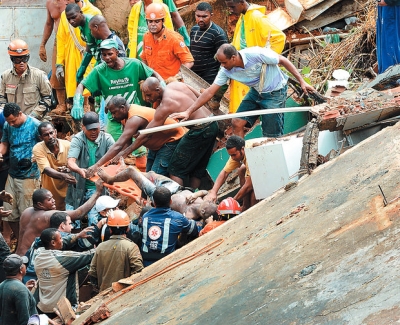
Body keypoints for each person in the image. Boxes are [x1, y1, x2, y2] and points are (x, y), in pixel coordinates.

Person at [171, 44, 315, 138]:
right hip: (256, 92)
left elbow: (283, 60)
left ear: (233, 57)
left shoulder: (256, 54)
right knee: (237, 123)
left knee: (271, 135)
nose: (222, 66)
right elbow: (210, 92)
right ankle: (243, 159)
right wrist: (188, 112)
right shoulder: (225, 70)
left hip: (274, 93)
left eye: (224, 62)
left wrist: (302, 81)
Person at [119, 77, 218, 188]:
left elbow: (147, 134)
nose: (146, 99)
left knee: (175, 170)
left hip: (200, 129)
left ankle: (179, 199)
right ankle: (192, 195)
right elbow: (201, 98)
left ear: (158, 90)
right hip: (212, 122)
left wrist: (126, 152)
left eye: (149, 95)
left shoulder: (165, 105)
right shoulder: (176, 85)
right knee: (197, 169)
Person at [85, 95, 185, 177]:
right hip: (157, 144)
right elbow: (127, 142)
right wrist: (116, 158)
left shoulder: (134, 118)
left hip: (171, 141)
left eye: (114, 112)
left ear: (122, 108)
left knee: (155, 176)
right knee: (148, 173)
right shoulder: (124, 116)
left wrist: (97, 165)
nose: (113, 116)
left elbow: (119, 145)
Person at [225, 0, 286, 113]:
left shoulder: (256, 17)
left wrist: (265, 61)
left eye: (232, 7)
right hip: (241, 66)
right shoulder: (244, 17)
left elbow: (279, 38)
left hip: (252, 69)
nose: (231, 11)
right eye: (229, 7)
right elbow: (237, 41)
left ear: (242, 3)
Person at [16, 179, 104, 256]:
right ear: (40, 204)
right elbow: (79, 213)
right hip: (30, 258)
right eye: (49, 199)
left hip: (18, 255)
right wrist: (97, 192)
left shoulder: (26, 212)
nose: (53, 201)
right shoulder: (47, 215)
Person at [97, 166, 217, 220]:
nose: (204, 200)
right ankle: (122, 173)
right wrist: (195, 194)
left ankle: (110, 179)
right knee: (150, 174)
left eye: (205, 203)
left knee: (131, 171)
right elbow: (205, 191)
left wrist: (150, 207)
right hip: (175, 187)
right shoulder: (204, 201)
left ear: (202, 211)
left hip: (161, 196)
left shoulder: (189, 217)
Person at [0, 103, 41, 242]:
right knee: (9, 213)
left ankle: (28, 244)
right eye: (8, 122)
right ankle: (20, 241)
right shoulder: (7, 126)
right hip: (12, 174)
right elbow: (5, 143)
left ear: (20, 114)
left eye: (13, 120)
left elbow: (46, 145)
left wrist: (37, 157)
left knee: (27, 214)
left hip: (29, 175)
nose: (11, 124)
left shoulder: (35, 125)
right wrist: (0, 153)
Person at [66, 112, 114, 227]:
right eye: (90, 130)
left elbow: (115, 158)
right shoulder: (77, 139)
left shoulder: (107, 139)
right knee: (72, 221)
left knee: (94, 221)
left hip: (97, 188)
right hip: (78, 186)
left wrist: (101, 167)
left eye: (96, 129)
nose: (93, 132)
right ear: (83, 128)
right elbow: (70, 162)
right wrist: (79, 170)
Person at [34, 228, 95, 315]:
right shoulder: (61, 260)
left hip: (43, 306)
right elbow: (87, 256)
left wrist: (77, 236)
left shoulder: (37, 254)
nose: (62, 240)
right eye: (60, 238)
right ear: (53, 243)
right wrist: (103, 247)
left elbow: (61, 243)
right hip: (62, 308)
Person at [55, 0, 102, 114]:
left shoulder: (94, 13)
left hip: (92, 57)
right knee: (73, 92)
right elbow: (61, 39)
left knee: (92, 92)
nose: (71, 21)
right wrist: (59, 63)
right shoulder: (64, 14)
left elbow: (98, 42)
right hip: (71, 58)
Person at [141, 187, 198, 266]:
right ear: (171, 201)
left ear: (153, 202)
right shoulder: (177, 218)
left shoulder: (145, 216)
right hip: (166, 262)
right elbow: (193, 230)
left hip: (145, 260)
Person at [89, 210, 143, 291]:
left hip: (103, 294)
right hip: (124, 294)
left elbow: (92, 272)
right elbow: (139, 272)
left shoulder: (100, 247)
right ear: (128, 228)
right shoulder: (131, 247)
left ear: (110, 230)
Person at [0, 40, 52, 120]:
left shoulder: (39, 75)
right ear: (12, 59)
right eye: (17, 60)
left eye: (24, 58)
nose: (21, 62)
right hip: (13, 121)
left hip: (35, 120)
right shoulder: (5, 77)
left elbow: (47, 98)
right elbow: (2, 99)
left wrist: (32, 117)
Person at [140, 3, 194, 80]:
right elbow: (144, 59)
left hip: (171, 85)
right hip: (154, 83)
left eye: (157, 21)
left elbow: (189, 62)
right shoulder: (146, 37)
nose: (153, 24)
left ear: (163, 21)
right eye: (150, 21)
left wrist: (177, 77)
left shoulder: (174, 38)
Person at [204, 135, 255, 211]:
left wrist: (231, 202)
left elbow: (249, 185)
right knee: (241, 169)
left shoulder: (251, 154)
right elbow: (224, 173)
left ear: (242, 149)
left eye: (234, 155)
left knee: (254, 200)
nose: (233, 158)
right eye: (231, 155)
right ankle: (245, 205)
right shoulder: (236, 155)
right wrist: (213, 192)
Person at [33, 122, 76, 210]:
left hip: (69, 192)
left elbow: (75, 164)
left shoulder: (68, 145)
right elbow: (47, 169)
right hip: (50, 195)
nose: (50, 137)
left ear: (55, 132)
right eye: (46, 135)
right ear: (41, 137)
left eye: (51, 133)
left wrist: (67, 170)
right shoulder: (38, 148)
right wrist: (64, 176)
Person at [190, 2, 228, 85]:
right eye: (198, 16)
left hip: (209, 77)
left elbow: (224, 59)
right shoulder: (194, 29)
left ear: (211, 15)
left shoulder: (218, 33)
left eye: (204, 16)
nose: (200, 19)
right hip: (193, 75)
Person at [39, 0, 67, 114]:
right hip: (58, 40)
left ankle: (81, 104)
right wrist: (42, 45)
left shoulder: (72, 2)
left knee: (76, 71)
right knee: (56, 73)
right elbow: (49, 24)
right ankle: (61, 105)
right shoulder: (50, 3)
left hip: (73, 39)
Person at [0, 254, 37, 325]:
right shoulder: (20, 290)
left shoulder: (1, 285)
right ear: (21, 270)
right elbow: (25, 320)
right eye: (23, 264)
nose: (25, 266)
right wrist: (23, 291)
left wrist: (25, 290)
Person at [376, 0, 400, 73]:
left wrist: (389, 1)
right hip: (385, 6)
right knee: (385, 42)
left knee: (391, 42)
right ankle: (386, 75)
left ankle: (392, 76)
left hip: (393, 6)